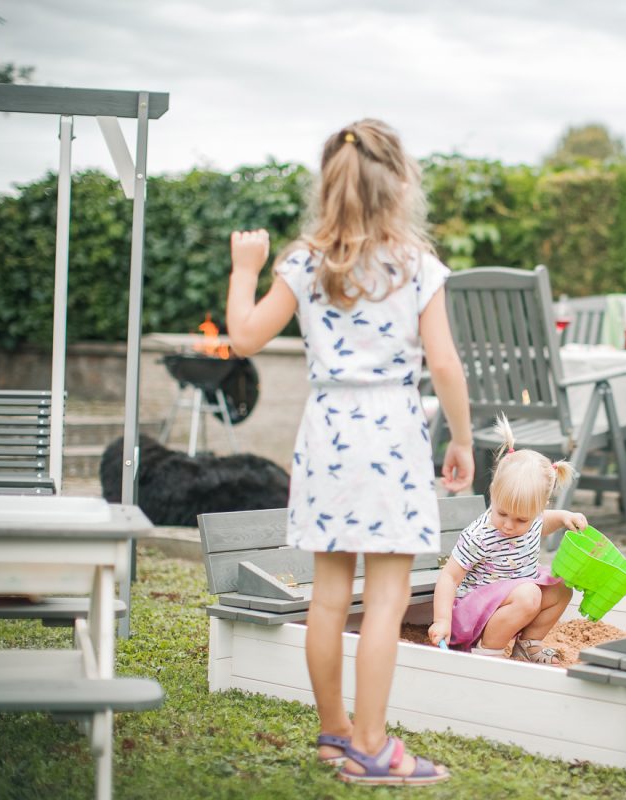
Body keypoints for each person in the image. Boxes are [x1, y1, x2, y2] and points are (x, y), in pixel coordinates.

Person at [226, 119, 474, 786]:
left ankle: (335, 734)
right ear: (399, 184)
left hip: (327, 432)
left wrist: (245, 268)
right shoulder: (417, 267)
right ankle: (371, 745)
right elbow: (445, 366)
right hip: (392, 429)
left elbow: (245, 336)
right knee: (388, 598)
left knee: (329, 596)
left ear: (328, 186)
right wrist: (463, 438)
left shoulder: (303, 263)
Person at [428, 416, 584, 665]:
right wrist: (442, 620)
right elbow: (449, 576)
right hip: (474, 615)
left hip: (515, 601)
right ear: (493, 492)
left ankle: (528, 645)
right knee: (529, 594)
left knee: (561, 587)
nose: (509, 525)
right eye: (502, 513)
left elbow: (546, 521)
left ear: (538, 508)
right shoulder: (480, 534)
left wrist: (567, 517)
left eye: (521, 519)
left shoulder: (534, 519)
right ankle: (488, 651)